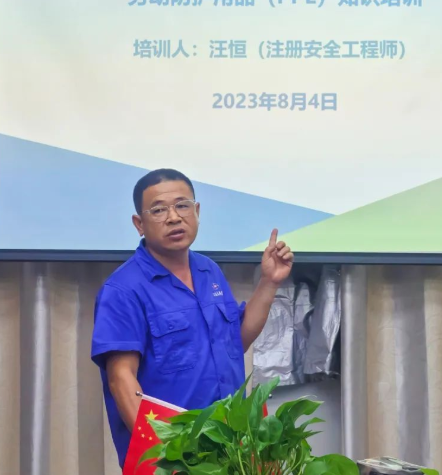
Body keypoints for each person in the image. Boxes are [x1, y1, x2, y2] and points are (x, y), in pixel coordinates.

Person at [91, 168, 294, 468]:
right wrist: (169, 459)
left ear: (197, 211)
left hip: (231, 450)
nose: (174, 217)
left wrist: (269, 282)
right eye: (158, 210)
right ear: (139, 224)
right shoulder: (123, 289)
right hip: (173, 458)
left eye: (182, 205)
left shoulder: (208, 270)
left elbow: (235, 342)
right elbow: (121, 380)